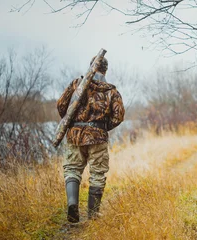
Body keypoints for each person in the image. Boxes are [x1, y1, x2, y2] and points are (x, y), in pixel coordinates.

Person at [57, 56, 125, 223]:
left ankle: (72, 204)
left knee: (72, 169)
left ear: (91, 66)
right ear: (105, 70)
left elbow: (61, 106)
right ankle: (93, 216)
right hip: (98, 138)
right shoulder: (111, 91)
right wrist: (101, 127)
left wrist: (73, 123)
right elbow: (119, 116)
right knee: (97, 174)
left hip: (75, 135)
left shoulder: (76, 84)